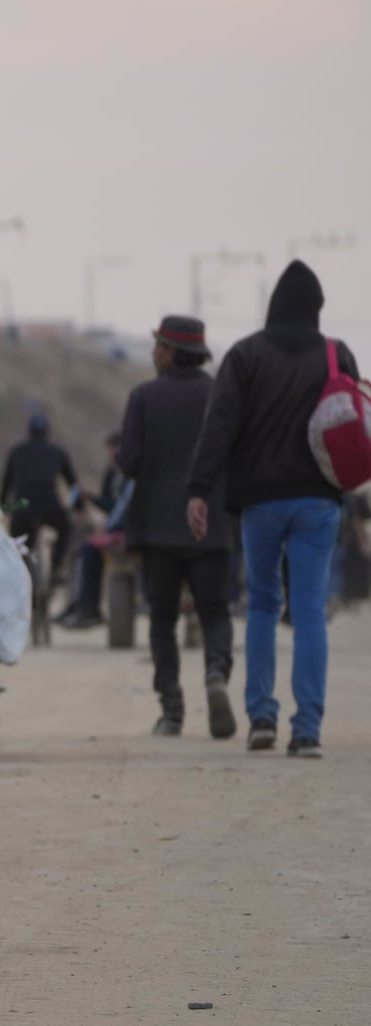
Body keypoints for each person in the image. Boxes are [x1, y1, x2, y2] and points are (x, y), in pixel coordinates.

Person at [187, 260, 360, 758]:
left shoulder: (245, 356)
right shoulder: (336, 353)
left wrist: (199, 489)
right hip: (318, 501)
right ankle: (307, 729)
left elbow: (219, 426)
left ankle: (261, 718)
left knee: (262, 603)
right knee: (309, 609)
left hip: (260, 502)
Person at [116, 316, 235, 739]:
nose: (153, 353)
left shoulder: (144, 397)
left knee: (162, 618)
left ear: (170, 351)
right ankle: (217, 673)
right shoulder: (221, 395)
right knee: (215, 612)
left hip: (157, 528)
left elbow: (128, 461)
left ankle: (172, 711)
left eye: (157, 347)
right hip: (213, 526)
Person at [56, 433, 128, 629]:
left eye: (112, 451)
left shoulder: (131, 473)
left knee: (86, 550)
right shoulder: (111, 473)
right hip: (115, 528)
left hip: (126, 530)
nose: (110, 455)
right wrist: (93, 499)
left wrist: (106, 525)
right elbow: (111, 506)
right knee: (81, 547)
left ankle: (87, 608)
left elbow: (121, 508)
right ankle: (79, 605)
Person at [0, 414, 77, 587]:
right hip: (50, 506)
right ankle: (57, 567)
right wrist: (78, 506)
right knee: (66, 527)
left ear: (29, 432)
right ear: (47, 433)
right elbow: (73, 484)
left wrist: (3, 506)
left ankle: (16, 575)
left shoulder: (16, 452)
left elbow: (6, 484)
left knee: (18, 544)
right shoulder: (58, 452)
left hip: (22, 507)